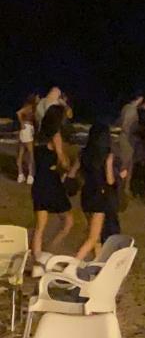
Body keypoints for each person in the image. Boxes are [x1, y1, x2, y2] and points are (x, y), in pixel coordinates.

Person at [31, 104, 75, 262]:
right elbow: (62, 160)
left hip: (39, 181)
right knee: (68, 221)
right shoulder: (55, 136)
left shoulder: (38, 137)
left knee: (40, 226)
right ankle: (50, 249)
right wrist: (69, 166)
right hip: (52, 182)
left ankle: (37, 257)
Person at [74, 122, 116, 260]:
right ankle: (73, 264)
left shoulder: (83, 153)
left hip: (86, 194)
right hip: (100, 196)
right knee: (92, 238)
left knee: (95, 236)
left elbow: (74, 173)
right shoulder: (107, 156)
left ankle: (97, 264)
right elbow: (110, 180)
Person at [116, 93, 143, 197]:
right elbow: (126, 126)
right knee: (126, 164)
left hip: (125, 138)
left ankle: (124, 188)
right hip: (127, 139)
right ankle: (122, 189)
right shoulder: (131, 109)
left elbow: (119, 122)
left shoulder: (125, 108)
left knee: (126, 163)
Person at [16, 94, 37, 184]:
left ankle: (20, 175)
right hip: (27, 129)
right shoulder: (29, 107)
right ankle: (30, 176)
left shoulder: (30, 107)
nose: (38, 99)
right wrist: (22, 123)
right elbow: (19, 113)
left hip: (26, 130)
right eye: (37, 97)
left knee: (21, 152)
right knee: (31, 153)